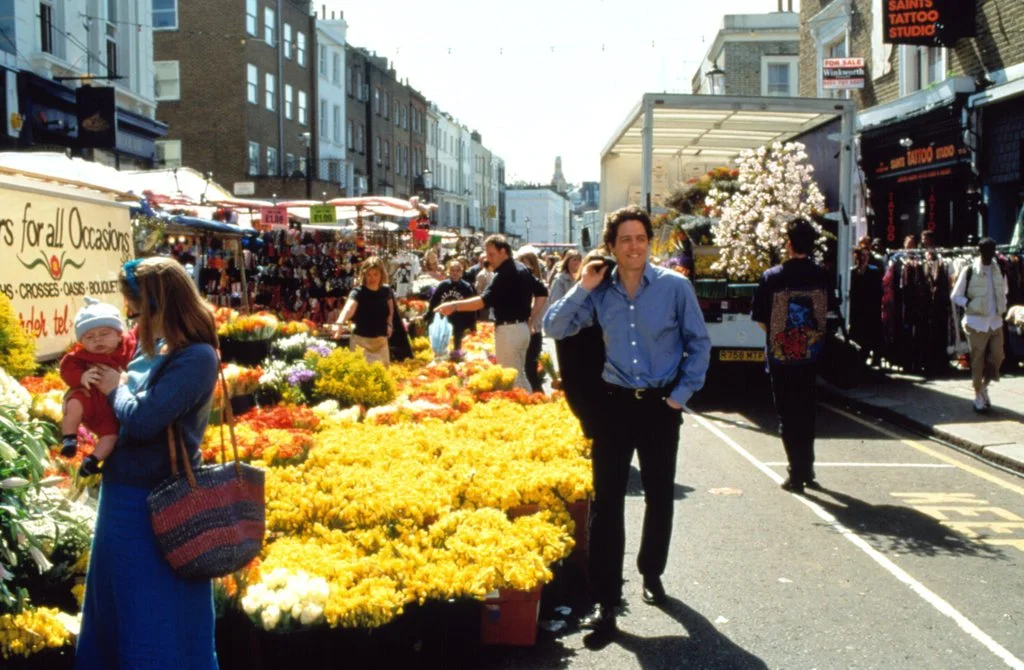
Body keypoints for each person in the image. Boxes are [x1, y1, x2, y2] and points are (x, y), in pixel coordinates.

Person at [544, 205, 711, 635]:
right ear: (612, 246)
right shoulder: (599, 290)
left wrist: (679, 398)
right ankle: (605, 598)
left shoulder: (675, 288)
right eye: (625, 240)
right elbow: (554, 326)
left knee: (659, 497)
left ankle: (651, 572)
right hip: (614, 406)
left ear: (649, 242)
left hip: (660, 407)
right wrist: (583, 285)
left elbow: (699, 343)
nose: (634, 247)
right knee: (607, 502)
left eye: (640, 238)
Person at [76, 256, 220, 669]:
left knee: (159, 620)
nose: (131, 318)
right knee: (116, 611)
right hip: (121, 499)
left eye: (134, 307)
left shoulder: (195, 357)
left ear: (159, 304)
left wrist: (115, 388)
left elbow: (142, 420)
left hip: (162, 505)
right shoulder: (148, 348)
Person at [751, 217, 837, 495]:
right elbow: (826, 313)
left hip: (781, 357)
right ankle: (807, 468)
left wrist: (779, 337)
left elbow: (761, 318)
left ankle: (795, 473)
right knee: (807, 411)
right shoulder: (822, 275)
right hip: (812, 356)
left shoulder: (772, 277)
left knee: (787, 415)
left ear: (788, 245)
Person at [437, 235, 547, 391]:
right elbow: (542, 292)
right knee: (520, 376)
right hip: (520, 329)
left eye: (491, 254)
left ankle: (523, 409)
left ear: (503, 251)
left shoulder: (505, 274)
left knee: (511, 379)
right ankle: (528, 407)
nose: (488, 259)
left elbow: (482, 301)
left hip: (510, 331)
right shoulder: (521, 268)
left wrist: (454, 305)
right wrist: (531, 317)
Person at [59, 297, 138, 477]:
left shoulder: (129, 348)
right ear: (82, 342)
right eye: (90, 337)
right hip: (90, 397)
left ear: (119, 334)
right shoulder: (80, 356)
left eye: (104, 334)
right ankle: (69, 438)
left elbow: (138, 335)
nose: (98, 340)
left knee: (110, 435)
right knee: (74, 403)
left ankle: (92, 461)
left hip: (112, 405)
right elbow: (66, 369)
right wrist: (81, 377)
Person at [550, 249, 606, 439]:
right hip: (582, 371)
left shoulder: (618, 298)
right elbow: (553, 327)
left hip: (612, 380)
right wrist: (583, 287)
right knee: (592, 423)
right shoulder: (575, 294)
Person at [950, 237, 1008, 412]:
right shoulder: (969, 270)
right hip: (976, 324)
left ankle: (984, 386)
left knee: (998, 357)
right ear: (980, 251)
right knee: (977, 362)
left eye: (992, 251)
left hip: (995, 322)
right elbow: (955, 296)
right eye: (987, 251)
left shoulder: (1000, 269)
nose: (990, 254)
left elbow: (1005, 290)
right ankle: (978, 395)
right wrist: (970, 304)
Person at [335, 256, 395, 365]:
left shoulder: (386, 291)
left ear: (381, 274)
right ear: (364, 275)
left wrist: (389, 324)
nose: (372, 278)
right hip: (360, 343)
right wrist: (340, 322)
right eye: (369, 274)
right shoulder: (358, 292)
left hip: (381, 343)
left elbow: (390, 311)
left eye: (375, 274)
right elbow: (349, 308)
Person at [514, 250, 549, 393]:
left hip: (532, 330)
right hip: (519, 329)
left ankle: (538, 398)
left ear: (533, 266)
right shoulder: (517, 285)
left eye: (525, 265)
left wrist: (530, 318)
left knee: (530, 370)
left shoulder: (539, 285)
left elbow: (538, 309)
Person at [426, 259, 477, 352]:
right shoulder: (443, 285)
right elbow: (433, 302)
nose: (455, 273)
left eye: (458, 270)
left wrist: (473, 326)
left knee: (457, 346)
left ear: (462, 272)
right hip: (444, 320)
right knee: (442, 345)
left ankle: (457, 356)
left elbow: (472, 307)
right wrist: (428, 316)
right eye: (452, 270)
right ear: (448, 272)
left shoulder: (466, 287)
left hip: (460, 320)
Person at [848, 248, 883, 366]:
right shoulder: (852, 272)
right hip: (857, 308)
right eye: (861, 256)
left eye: (865, 256)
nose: (863, 259)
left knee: (870, 334)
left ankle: (871, 357)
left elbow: (878, 290)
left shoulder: (874, 272)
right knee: (857, 333)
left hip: (870, 308)